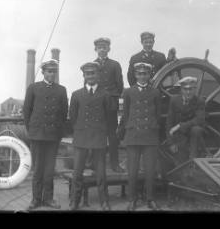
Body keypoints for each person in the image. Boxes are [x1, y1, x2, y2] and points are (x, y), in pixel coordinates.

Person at [23, 59, 68, 210]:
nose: (52, 74)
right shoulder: (33, 88)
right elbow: (27, 111)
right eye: (49, 71)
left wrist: (58, 133)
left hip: (53, 136)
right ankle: (35, 199)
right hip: (37, 134)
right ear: (43, 72)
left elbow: (63, 113)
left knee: (49, 170)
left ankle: (48, 198)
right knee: (37, 170)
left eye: (54, 71)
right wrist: (32, 130)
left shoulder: (61, 90)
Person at [117, 62, 161, 211]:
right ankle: (132, 199)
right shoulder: (128, 92)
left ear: (149, 75)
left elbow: (158, 115)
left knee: (150, 170)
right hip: (133, 135)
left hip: (150, 136)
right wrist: (122, 132)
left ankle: (150, 199)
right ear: (135, 75)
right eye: (140, 74)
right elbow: (126, 114)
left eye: (145, 74)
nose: (143, 76)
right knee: (133, 170)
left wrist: (155, 132)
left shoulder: (155, 92)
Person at [69, 62, 111, 211]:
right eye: (88, 74)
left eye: (93, 73)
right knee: (77, 173)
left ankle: (104, 201)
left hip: (98, 138)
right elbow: (72, 118)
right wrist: (81, 130)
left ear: (98, 75)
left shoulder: (105, 94)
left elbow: (109, 118)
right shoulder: (76, 94)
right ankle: (75, 201)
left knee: (101, 173)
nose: (91, 76)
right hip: (81, 138)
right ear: (84, 76)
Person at [93, 37, 124, 173]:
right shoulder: (92, 65)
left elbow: (120, 85)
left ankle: (115, 164)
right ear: (96, 49)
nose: (102, 50)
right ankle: (96, 164)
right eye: (100, 47)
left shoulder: (115, 65)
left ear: (108, 49)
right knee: (98, 133)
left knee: (112, 135)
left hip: (111, 104)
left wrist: (112, 97)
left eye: (104, 47)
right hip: (97, 105)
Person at [166, 76, 206, 172]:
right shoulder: (174, 101)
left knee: (196, 129)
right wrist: (171, 143)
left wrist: (180, 125)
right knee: (179, 167)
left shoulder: (199, 101)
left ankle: (193, 162)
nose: (188, 92)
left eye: (191, 89)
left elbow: (199, 120)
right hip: (179, 137)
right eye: (185, 89)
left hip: (194, 136)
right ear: (181, 89)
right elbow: (169, 123)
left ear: (194, 89)